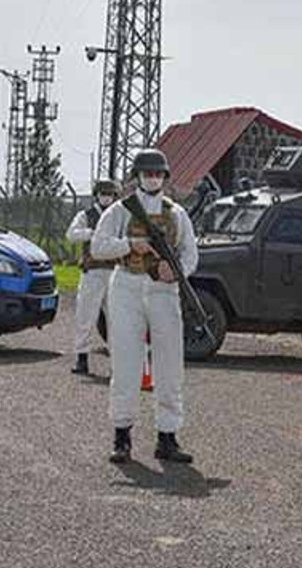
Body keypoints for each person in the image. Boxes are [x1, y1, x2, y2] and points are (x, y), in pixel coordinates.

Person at [90, 149, 198, 464]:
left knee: (170, 364)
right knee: (126, 362)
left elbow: (191, 253)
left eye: (158, 174)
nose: (152, 178)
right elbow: (98, 246)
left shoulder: (177, 213)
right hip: (127, 285)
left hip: (164, 290)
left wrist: (177, 270)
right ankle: (121, 436)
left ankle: (168, 436)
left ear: (165, 177)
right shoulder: (121, 211)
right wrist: (129, 245)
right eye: (147, 173)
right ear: (137, 176)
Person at [64, 179, 121, 375]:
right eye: (103, 193)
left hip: (115, 272)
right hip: (93, 272)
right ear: (97, 194)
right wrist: (92, 233)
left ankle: (117, 364)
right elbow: (71, 234)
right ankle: (82, 358)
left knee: (116, 319)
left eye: (111, 194)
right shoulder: (86, 215)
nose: (107, 197)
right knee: (85, 316)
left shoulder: (118, 216)